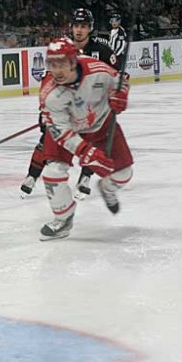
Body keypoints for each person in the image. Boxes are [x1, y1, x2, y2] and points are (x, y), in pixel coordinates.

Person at [35, 37, 132, 240]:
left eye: (61, 64)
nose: (57, 71)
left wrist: (120, 93)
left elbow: (120, 79)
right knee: (53, 172)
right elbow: (60, 130)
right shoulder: (49, 93)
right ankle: (63, 219)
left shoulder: (97, 70)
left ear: (73, 61)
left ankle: (107, 188)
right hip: (70, 130)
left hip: (102, 125)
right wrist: (84, 151)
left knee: (124, 174)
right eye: (52, 65)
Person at [20, 7, 117, 198]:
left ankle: (85, 178)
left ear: (90, 28)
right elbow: (50, 80)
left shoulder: (103, 50)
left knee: (92, 141)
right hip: (65, 106)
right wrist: (44, 110)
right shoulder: (62, 48)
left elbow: (115, 77)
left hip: (91, 108)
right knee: (47, 138)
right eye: (76, 25)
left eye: (83, 26)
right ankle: (32, 176)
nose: (79, 30)